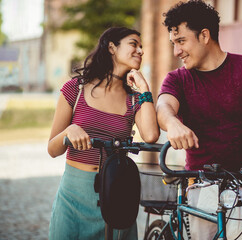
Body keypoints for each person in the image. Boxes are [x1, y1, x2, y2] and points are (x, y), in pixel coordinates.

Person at [156, 0, 242, 239]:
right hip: (201, 187)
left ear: (204, 35)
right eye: (173, 43)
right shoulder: (176, 79)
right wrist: (173, 123)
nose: (176, 51)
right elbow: (164, 106)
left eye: (181, 41)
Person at [47, 27, 159, 240]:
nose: (141, 51)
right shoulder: (75, 89)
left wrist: (144, 88)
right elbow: (52, 149)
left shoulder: (134, 99)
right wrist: (69, 131)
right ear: (111, 47)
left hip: (116, 193)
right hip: (73, 196)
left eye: (142, 46)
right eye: (134, 44)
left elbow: (151, 134)